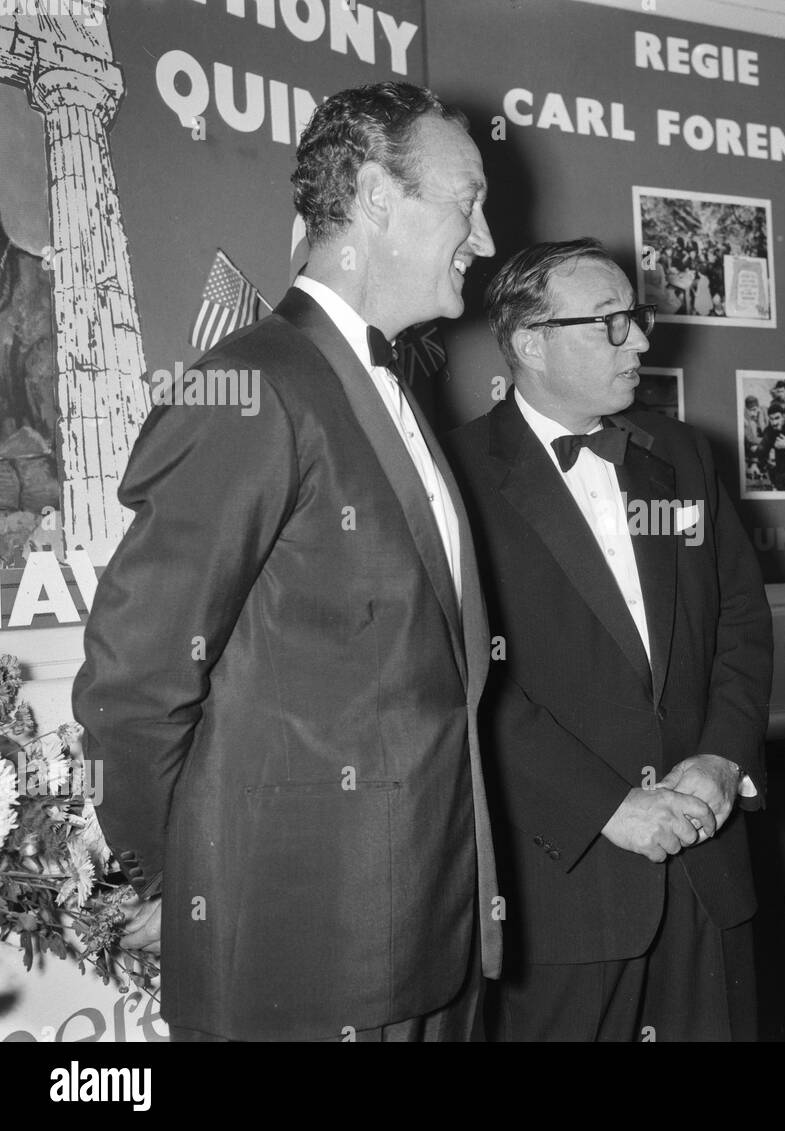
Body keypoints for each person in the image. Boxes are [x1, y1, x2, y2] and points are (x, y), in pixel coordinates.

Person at [72, 82, 499, 1042]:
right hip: (302, 958)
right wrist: (176, 876)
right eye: (466, 202)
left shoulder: (391, 385)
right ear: (378, 200)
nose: (484, 236)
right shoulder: (251, 386)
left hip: (434, 935)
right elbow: (134, 685)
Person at [444, 238, 772, 1042]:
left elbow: (741, 622)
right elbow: (460, 679)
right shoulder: (452, 474)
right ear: (529, 342)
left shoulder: (685, 454)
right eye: (612, 323)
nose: (642, 341)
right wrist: (606, 808)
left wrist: (723, 759)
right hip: (562, 898)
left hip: (706, 873)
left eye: (638, 318)